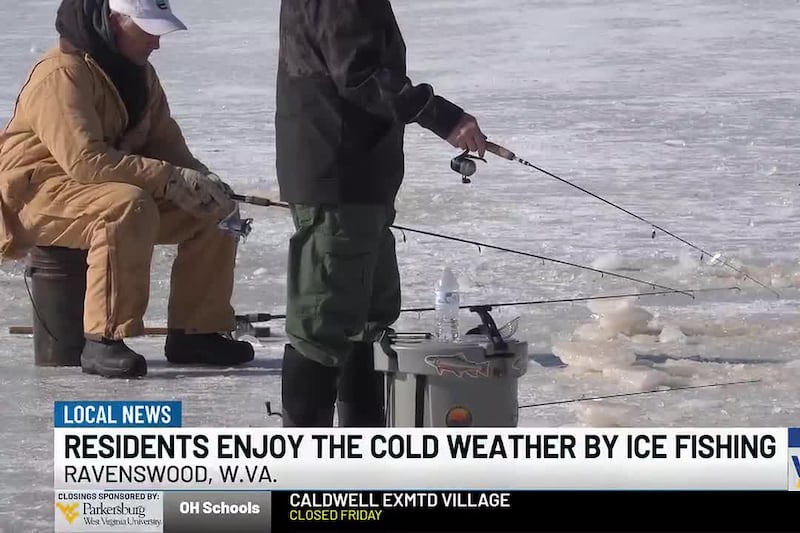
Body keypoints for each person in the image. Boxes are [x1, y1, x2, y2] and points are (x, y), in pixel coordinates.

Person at [0, 0, 255, 379]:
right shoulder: (61, 75)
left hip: (98, 186)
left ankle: (195, 331)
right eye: (148, 29)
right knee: (125, 205)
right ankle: (104, 338)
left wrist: (203, 180)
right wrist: (168, 178)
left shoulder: (139, 74)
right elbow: (86, 162)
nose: (156, 43)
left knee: (212, 210)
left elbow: (167, 146)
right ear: (114, 22)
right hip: (36, 196)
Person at [276, 0, 487, 427]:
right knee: (325, 323)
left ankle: (364, 447)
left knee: (367, 316)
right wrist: (441, 115)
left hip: (362, 182)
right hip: (338, 178)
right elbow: (361, 75)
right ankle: (303, 467)